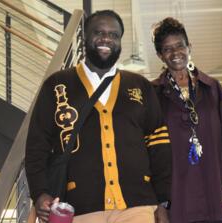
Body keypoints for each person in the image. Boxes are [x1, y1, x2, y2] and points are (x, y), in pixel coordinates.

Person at [25, 10, 171, 223]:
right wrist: (39, 192)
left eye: (113, 35)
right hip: (80, 207)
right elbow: (37, 144)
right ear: (85, 38)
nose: (106, 39)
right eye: (98, 32)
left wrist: (163, 200)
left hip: (137, 205)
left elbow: (159, 146)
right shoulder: (57, 84)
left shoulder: (140, 86)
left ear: (120, 42)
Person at [151, 17, 222, 223]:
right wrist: (158, 207)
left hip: (213, 187)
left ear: (189, 46)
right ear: (160, 55)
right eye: (167, 49)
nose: (176, 53)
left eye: (180, 45)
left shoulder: (212, 88)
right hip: (176, 195)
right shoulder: (153, 94)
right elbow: (149, 150)